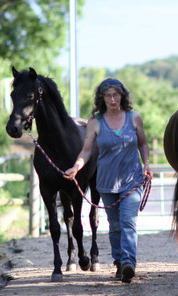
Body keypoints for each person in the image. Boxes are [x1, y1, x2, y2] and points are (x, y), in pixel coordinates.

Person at [64, 78, 153, 283]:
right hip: (106, 181)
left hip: (132, 179)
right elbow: (86, 151)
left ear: (122, 96)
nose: (112, 99)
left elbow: (143, 144)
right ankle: (120, 263)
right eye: (108, 95)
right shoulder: (95, 122)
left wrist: (146, 164)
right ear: (102, 98)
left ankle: (129, 262)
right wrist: (76, 168)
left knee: (128, 222)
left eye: (116, 94)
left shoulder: (134, 118)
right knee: (114, 226)